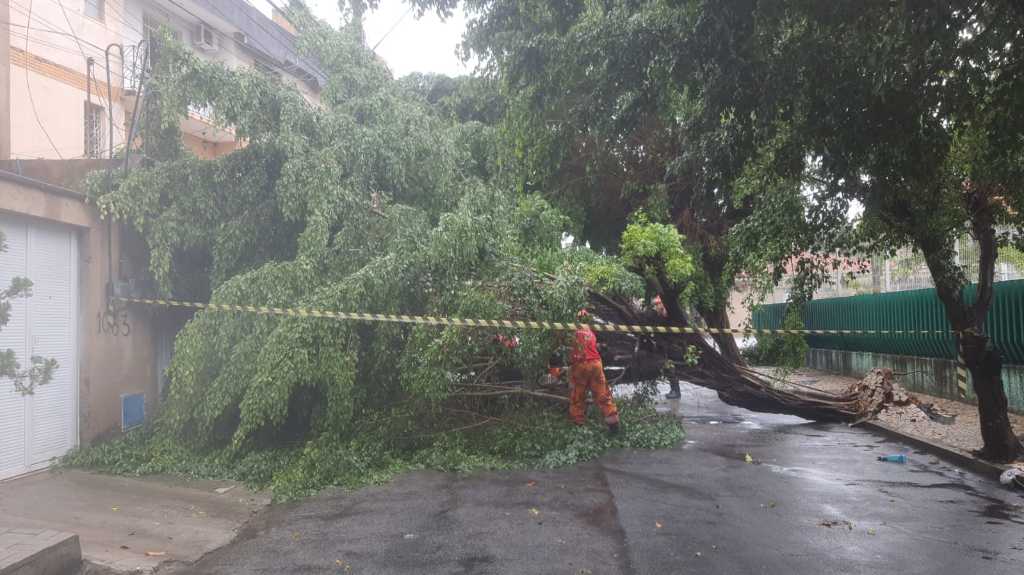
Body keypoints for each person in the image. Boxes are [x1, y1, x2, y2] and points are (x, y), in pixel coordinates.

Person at [569, 309, 620, 434]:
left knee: (578, 396)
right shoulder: (590, 331)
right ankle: (614, 426)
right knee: (603, 395)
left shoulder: (572, 330)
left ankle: (578, 426)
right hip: (596, 364)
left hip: (581, 365)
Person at [653, 295, 682, 400]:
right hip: (664, 346)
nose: (656, 307)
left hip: (670, 347)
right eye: (655, 305)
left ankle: (676, 391)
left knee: (670, 367)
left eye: (658, 304)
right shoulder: (659, 315)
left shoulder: (666, 315)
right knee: (668, 367)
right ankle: (673, 389)